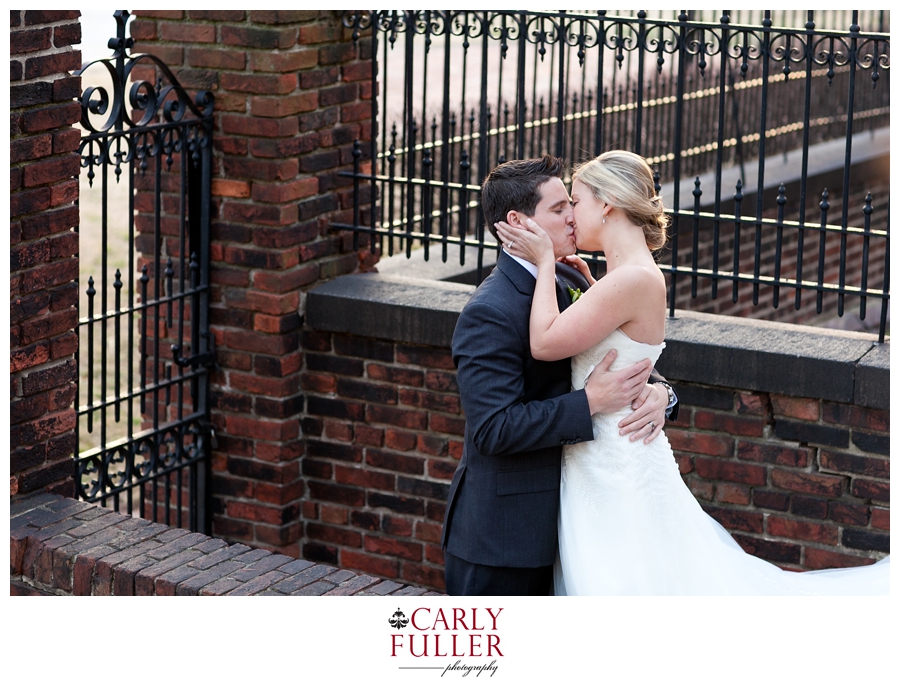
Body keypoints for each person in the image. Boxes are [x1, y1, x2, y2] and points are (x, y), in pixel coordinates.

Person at [495, 150, 889, 595]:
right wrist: (586, 288)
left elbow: (545, 343)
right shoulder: (616, 275)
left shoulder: (631, 279)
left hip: (617, 465)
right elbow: (624, 354)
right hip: (602, 458)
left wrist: (546, 263)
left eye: (577, 201)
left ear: (607, 205)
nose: (570, 215)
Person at [441, 155, 677, 596]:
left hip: (579, 520)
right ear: (518, 222)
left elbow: (617, 356)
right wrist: (588, 403)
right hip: (504, 541)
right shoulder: (489, 311)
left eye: (573, 203)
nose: (573, 216)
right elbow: (492, 430)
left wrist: (662, 394)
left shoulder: (572, 274)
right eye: (558, 208)